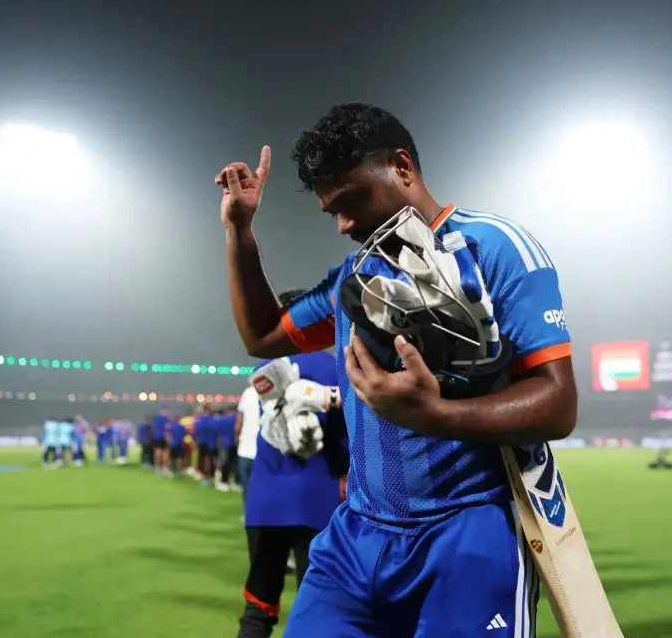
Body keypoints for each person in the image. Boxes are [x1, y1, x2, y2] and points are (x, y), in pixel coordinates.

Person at [216, 103, 577, 636]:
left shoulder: (497, 248)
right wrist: (240, 231)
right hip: (356, 538)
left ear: (402, 167)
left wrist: (435, 414)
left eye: (351, 201)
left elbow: (558, 404)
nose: (343, 225)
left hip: (469, 530)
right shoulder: (354, 280)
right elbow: (262, 336)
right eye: (330, 212)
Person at [237, 322, 347, 638]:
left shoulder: (265, 369)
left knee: (258, 608)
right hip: (319, 498)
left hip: (267, 500)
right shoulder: (335, 369)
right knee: (315, 610)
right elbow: (345, 440)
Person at [236, 385, 261, 502]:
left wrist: (237, 439)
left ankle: (249, 515)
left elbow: (239, 423)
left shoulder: (247, 393)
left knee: (246, 488)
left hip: (245, 450)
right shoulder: (274, 393)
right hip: (263, 451)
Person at [215, 407, 238, 492]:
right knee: (234, 463)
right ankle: (234, 482)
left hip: (225, 443)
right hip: (235, 443)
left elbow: (217, 431)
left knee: (224, 462)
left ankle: (223, 481)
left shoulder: (223, 419)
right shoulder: (236, 418)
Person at [151, 407, 171, 473]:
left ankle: (157, 467)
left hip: (156, 437)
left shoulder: (156, 417)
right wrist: (168, 438)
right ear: (165, 411)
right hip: (163, 437)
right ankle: (164, 467)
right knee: (165, 453)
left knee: (157, 452)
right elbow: (167, 428)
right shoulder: (166, 418)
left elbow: (153, 427)